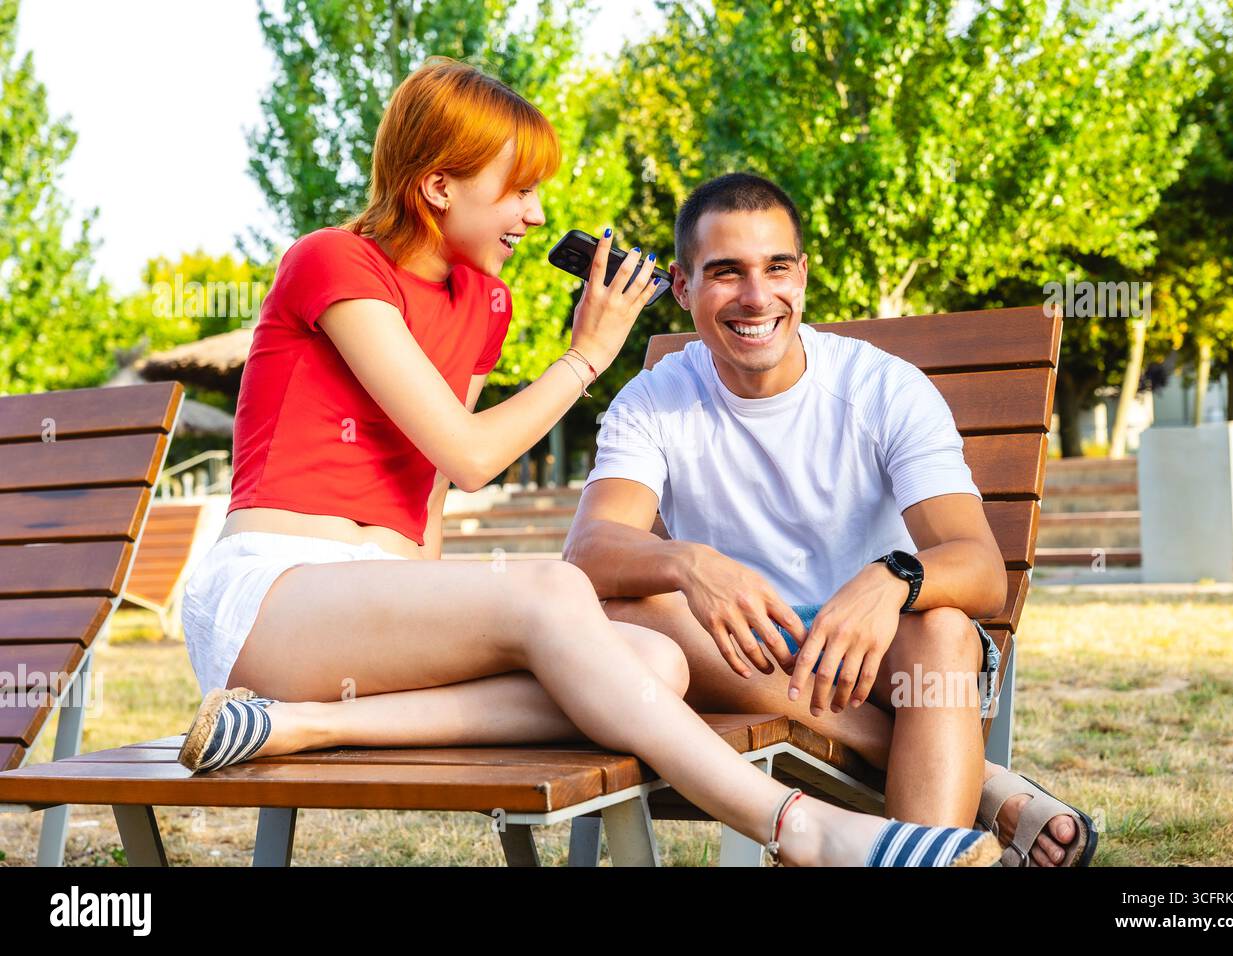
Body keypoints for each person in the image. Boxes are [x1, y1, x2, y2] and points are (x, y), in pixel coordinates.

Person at [177, 56, 1000, 867]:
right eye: (518, 188)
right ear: (438, 187)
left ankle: (301, 724)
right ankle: (804, 828)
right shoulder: (333, 260)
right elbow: (466, 458)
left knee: (654, 661)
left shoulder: (485, 302)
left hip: (370, 623)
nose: (533, 216)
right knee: (558, 590)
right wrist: (587, 357)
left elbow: (424, 493)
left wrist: (432, 594)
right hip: (273, 597)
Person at [563, 172, 1097, 868]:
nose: (757, 297)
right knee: (627, 616)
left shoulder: (883, 388)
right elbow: (589, 551)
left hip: (881, 656)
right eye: (726, 272)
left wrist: (890, 580)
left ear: (803, 275)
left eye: (776, 267)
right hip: (738, 648)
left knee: (941, 629)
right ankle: (981, 789)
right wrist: (690, 563)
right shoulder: (654, 399)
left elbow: (980, 570)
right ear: (684, 286)